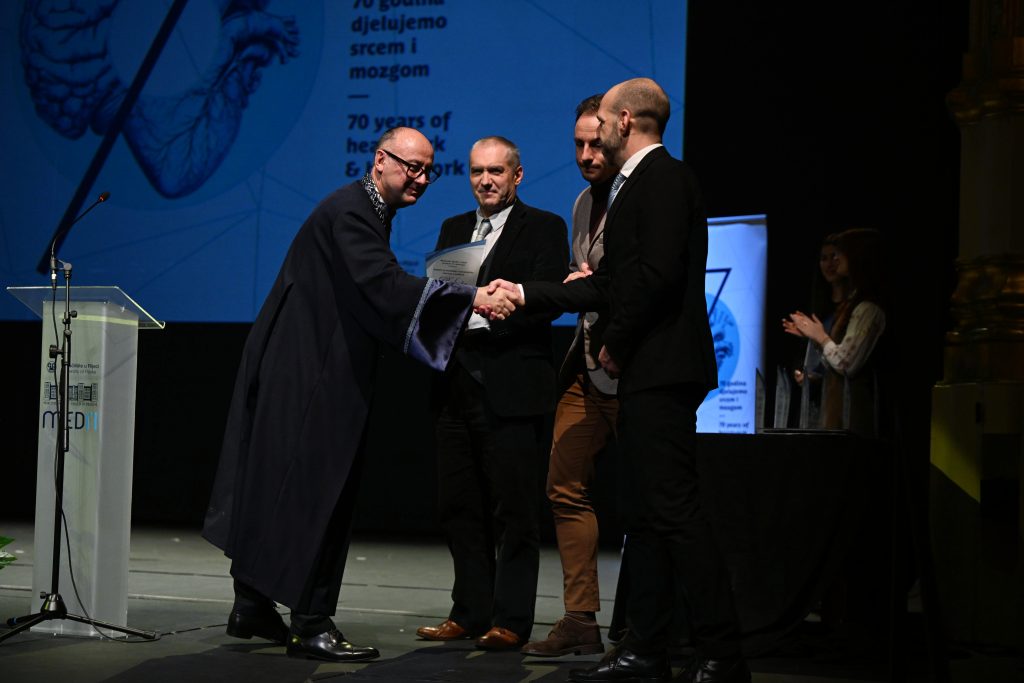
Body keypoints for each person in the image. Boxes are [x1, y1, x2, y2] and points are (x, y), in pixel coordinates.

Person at [201, 127, 518, 662]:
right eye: (411, 167)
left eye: (428, 170)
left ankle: (252, 603)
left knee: (280, 485)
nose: (420, 178)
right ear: (379, 160)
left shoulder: (364, 210)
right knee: (321, 492)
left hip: (300, 367)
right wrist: (471, 299)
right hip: (313, 374)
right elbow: (382, 286)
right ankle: (311, 623)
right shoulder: (352, 212)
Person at [489, 78, 750, 683]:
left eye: (603, 121)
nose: (597, 134)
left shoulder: (663, 179)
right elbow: (610, 282)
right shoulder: (636, 185)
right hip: (647, 370)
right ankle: (644, 650)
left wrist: (616, 342)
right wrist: (527, 292)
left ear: (625, 120)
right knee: (649, 517)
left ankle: (722, 653)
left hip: (662, 368)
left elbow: (654, 278)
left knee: (675, 513)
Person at [415, 136, 569, 651]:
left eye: (496, 171)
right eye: (477, 171)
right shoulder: (453, 228)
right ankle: (468, 611)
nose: (485, 180)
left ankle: (511, 620)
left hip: (512, 384)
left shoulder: (544, 227)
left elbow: (550, 299)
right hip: (455, 384)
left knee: (515, 510)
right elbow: (438, 297)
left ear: (516, 176)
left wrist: (495, 313)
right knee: (459, 505)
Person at [520, 95, 620, 658]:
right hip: (586, 364)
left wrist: (586, 286)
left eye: (594, 144)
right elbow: (587, 278)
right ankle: (581, 618)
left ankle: (657, 624)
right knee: (563, 487)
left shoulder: (637, 197)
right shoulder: (583, 203)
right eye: (578, 144)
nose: (585, 154)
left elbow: (633, 282)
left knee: (657, 498)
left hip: (631, 367)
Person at [783, 228, 887, 436]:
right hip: (838, 416)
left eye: (841, 253)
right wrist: (813, 338)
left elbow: (846, 364)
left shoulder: (868, 308)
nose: (835, 260)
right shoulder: (851, 305)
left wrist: (820, 336)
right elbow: (837, 360)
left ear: (858, 257)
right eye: (826, 257)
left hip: (856, 419)